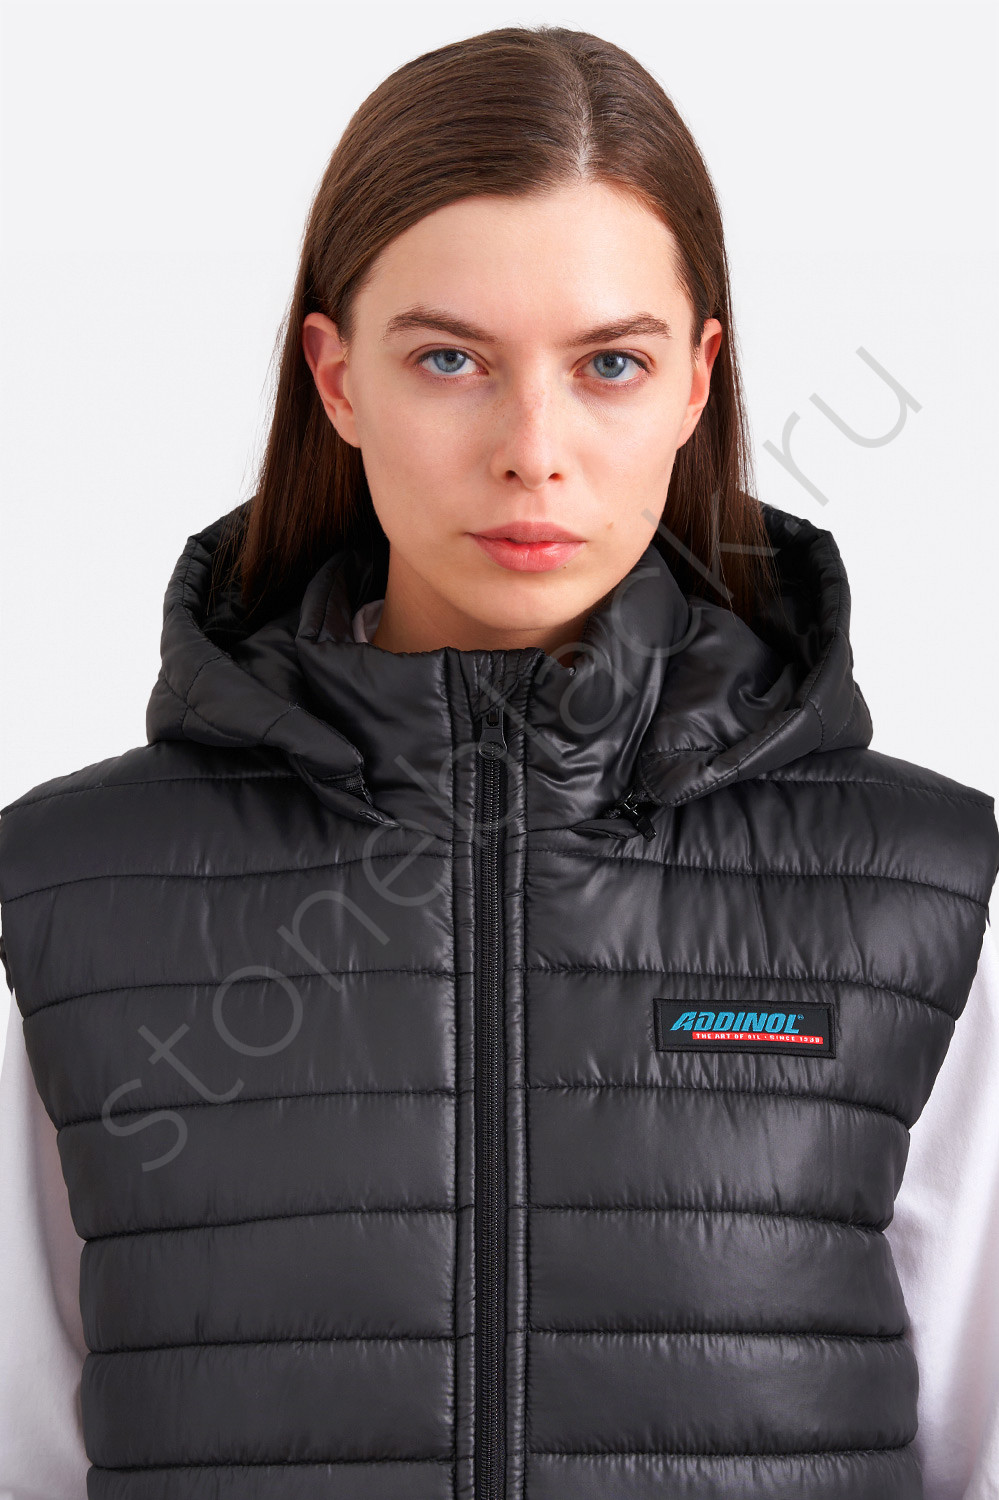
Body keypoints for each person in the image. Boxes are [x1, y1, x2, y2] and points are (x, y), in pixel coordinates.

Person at [1, 22, 997, 1500]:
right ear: (338, 378)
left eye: (610, 363)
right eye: (451, 358)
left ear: (696, 384)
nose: (534, 447)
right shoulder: (65, 901)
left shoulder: (932, 897)